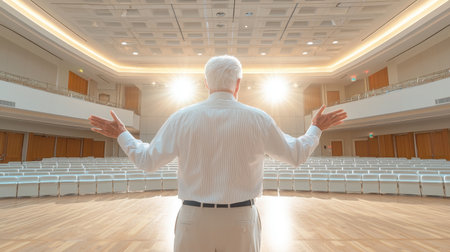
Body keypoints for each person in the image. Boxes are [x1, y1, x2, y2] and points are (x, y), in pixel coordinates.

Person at [88, 55, 347, 252]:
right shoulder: (259, 119)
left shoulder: (182, 118)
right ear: (239, 83)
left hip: (193, 218)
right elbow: (296, 155)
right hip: (241, 219)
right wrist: (315, 128)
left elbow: (146, 161)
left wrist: (123, 133)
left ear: (205, 83)